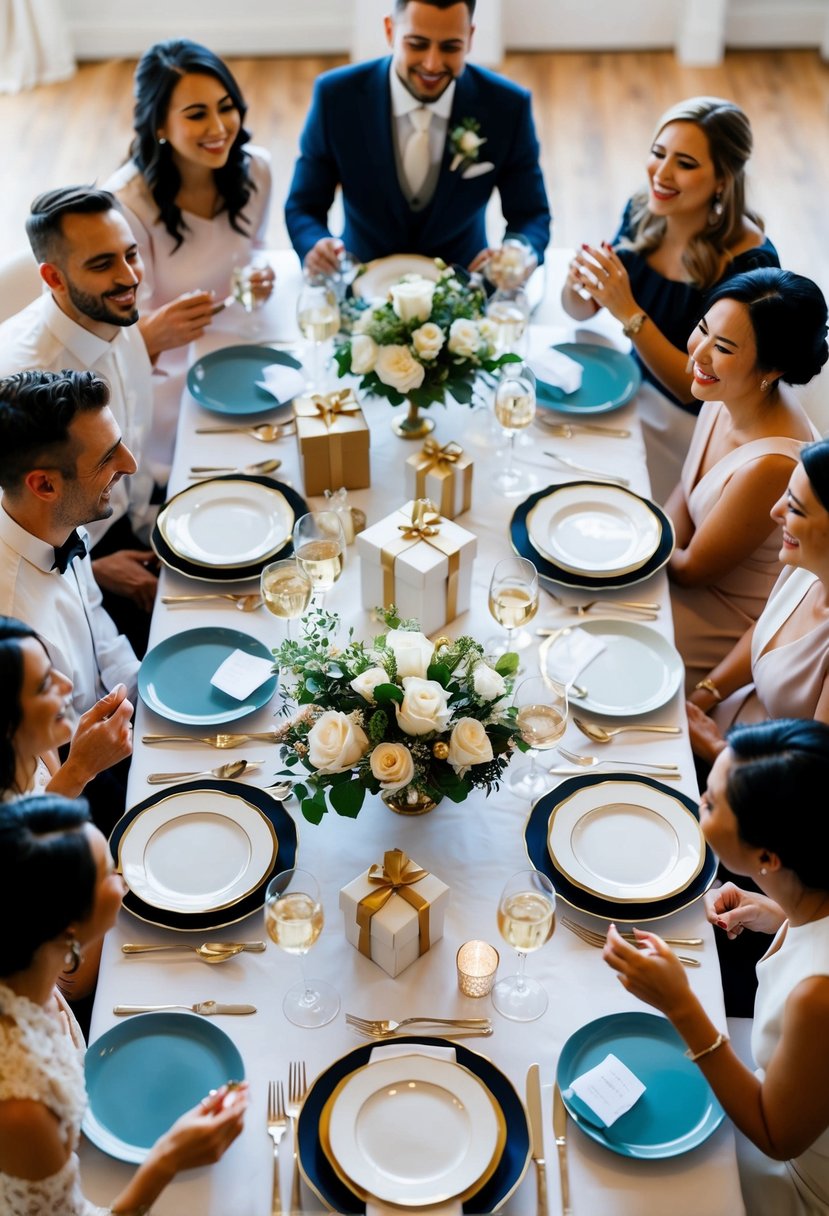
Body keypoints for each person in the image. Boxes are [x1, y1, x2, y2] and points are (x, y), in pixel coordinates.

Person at [604, 718, 829, 1215]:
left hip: (797, 1181)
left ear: (767, 856)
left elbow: (777, 1137)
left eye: (708, 804)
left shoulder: (819, 998)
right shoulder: (811, 898)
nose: (697, 808)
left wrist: (681, 1005)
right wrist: (778, 915)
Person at [0, 796, 249, 1215]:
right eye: (108, 874)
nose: (124, 878)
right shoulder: (21, 1110)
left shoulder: (27, 977)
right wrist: (166, 1158)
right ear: (70, 927)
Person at [562, 97, 780, 502]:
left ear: (722, 180)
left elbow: (690, 387)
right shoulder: (644, 208)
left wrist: (628, 311)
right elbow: (581, 308)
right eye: (658, 153)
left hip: (692, 426)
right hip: (632, 386)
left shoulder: (750, 263)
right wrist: (576, 284)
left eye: (685, 163)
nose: (660, 174)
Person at [284, 0, 551, 278]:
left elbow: (530, 213)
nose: (432, 64)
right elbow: (304, 205)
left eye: (450, 47)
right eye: (417, 44)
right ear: (390, 31)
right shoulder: (336, 97)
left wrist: (520, 252)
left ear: (470, 38)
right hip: (361, 281)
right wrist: (315, 246)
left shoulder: (507, 107)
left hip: (463, 285)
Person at [104, 38, 274, 474]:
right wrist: (157, 331)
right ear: (159, 123)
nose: (219, 127)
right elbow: (120, 327)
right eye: (197, 114)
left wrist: (257, 273)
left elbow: (255, 248)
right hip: (169, 366)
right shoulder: (125, 205)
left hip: (245, 336)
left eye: (226, 106)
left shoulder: (257, 169)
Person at [0, 186, 158, 649]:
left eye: (131, 255)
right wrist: (95, 570)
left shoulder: (116, 309)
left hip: (124, 519)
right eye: (102, 264)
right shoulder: (17, 378)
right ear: (54, 277)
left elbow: (134, 453)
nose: (130, 277)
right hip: (64, 561)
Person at [665, 268, 825, 692]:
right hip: (685, 576)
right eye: (702, 329)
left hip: (725, 620)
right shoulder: (726, 391)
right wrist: (648, 535)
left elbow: (690, 573)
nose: (699, 354)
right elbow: (688, 486)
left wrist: (642, 546)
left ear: (770, 369)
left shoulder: (771, 466)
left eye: (723, 347)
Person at [0, 369, 139, 832]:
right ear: (44, 485)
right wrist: (85, 768)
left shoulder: (58, 519)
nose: (131, 463)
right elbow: (17, 815)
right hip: (78, 797)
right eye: (107, 458)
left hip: (119, 733)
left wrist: (148, 693)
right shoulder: (10, 623)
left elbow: (98, 623)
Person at [686, 438, 829, 765]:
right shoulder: (804, 566)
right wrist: (703, 695)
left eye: (794, 507)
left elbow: (812, 773)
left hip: (754, 788)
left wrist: (715, 749)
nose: (775, 511)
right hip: (726, 725)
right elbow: (766, 629)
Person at [0, 616, 133, 802]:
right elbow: (34, 829)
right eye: (45, 683)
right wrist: (78, 769)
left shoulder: (39, 743)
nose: (67, 684)